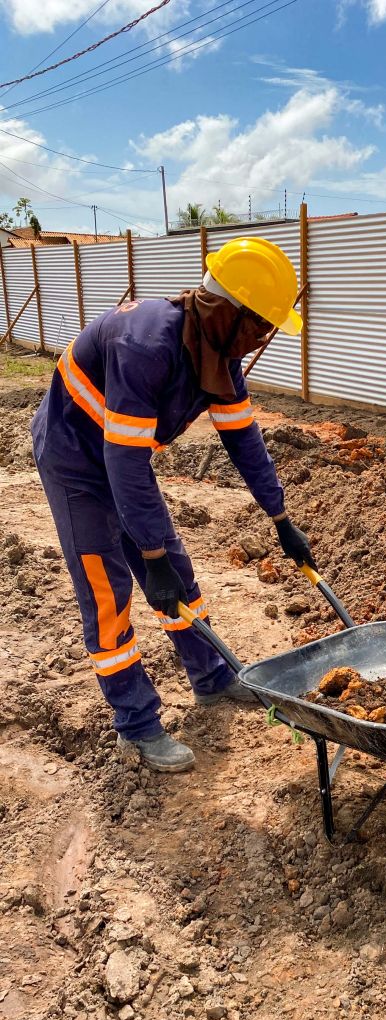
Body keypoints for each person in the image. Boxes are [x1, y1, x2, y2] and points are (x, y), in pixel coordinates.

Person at [32, 236, 316, 774]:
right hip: (75, 461)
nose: (262, 338)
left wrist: (281, 520)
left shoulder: (218, 357)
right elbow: (122, 462)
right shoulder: (147, 346)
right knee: (109, 589)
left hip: (122, 458)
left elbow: (245, 443)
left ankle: (211, 678)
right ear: (224, 310)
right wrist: (149, 552)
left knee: (176, 573)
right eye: (258, 324)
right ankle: (136, 724)